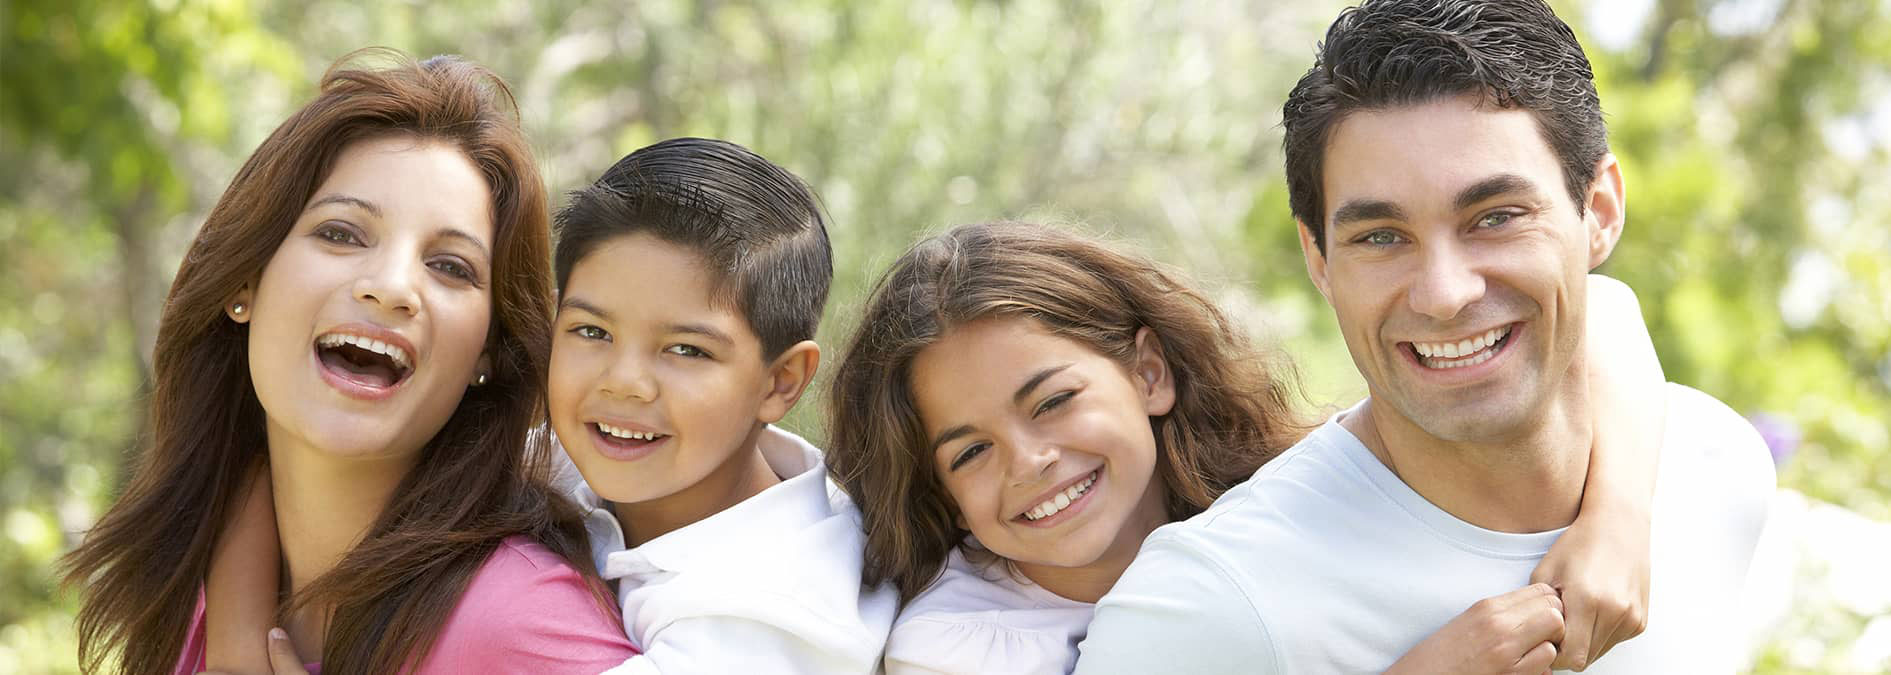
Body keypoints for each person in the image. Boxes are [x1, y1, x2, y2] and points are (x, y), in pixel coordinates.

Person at [1074, 1, 1775, 673]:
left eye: (1495, 217)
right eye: (1381, 236)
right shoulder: (1210, 604)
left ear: (1598, 209)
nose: (1444, 294)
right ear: (1319, 260)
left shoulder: (1716, 469)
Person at [828, 221, 1667, 674]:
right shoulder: (958, 650)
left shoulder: (1268, 506)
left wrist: (1617, 519)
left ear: (1149, 371)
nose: (1029, 460)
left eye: (1052, 400)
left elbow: (1605, 310)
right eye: (969, 452)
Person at [58, 50, 636, 674]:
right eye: (340, 233)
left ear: (490, 351)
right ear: (244, 281)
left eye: (450, 266)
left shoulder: (517, 621)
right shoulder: (195, 600)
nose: (390, 287)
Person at [545, 137, 899, 673]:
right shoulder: (559, 460)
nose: (625, 383)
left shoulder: (775, 616)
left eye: (686, 349)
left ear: (781, 381)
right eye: (592, 331)